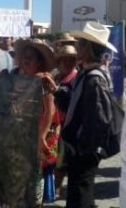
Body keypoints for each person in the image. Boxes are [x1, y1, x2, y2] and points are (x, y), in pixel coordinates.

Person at [61, 22, 121, 208]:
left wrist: (82, 148)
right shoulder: (87, 73)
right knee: (81, 194)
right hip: (82, 149)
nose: (76, 47)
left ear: (88, 48)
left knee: (80, 197)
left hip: (84, 151)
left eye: (80, 43)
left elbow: (99, 119)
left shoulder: (93, 78)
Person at [12, 38, 61, 204]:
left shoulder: (43, 80)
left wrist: (42, 135)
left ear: (39, 62)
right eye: (24, 56)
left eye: (31, 57)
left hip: (34, 138)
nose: (26, 60)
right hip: (15, 136)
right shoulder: (14, 76)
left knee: (33, 181)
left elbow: (50, 110)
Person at [52, 44, 78, 199]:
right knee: (54, 157)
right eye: (64, 60)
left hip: (66, 125)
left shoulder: (76, 78)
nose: (67, 63)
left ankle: (58, 187)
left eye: (71, 60)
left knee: (61, 159)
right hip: (53, 123)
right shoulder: (56, 76)